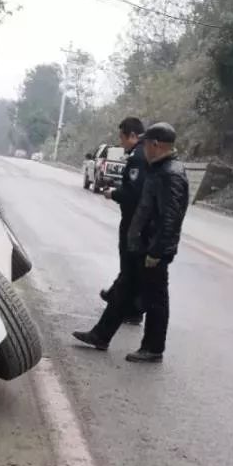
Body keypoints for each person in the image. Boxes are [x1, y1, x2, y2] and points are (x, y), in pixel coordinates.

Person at [73, 122, 189, 362]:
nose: (143, 148)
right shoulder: (158, 169)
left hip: (152, 249)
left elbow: (171, 219)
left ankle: (153, 348)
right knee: (124, 289)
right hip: (142, 245)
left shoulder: (171, 174)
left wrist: (157, 251)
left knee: (156, 300)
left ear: (156, 145)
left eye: (146, 143)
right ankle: (101, 335)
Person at [101, 117, 147, 325]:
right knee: (131, 267)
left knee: (131, 266)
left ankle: (131, 308)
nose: (121, 143)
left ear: (132, 135)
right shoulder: (143, 154)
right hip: (137, 220)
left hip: (133, 221)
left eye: (122, 137)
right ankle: (116, 296)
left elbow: (133, 192)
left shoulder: (138, 157)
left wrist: (114, 193)